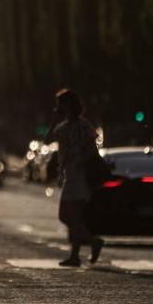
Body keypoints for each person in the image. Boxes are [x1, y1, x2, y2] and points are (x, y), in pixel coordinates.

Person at [44, 88, 103, 267]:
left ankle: (87, 247)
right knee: (72, 217)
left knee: (67, 215)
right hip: (70, 174)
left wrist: (80, 161)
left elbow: (92, 150)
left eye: (60, 104)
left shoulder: (82, 126)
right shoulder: (63, 127)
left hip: (79, 175)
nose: (58, 108)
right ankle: (83, 249)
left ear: (68, 105)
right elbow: (47, 141)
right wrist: (54, 121)